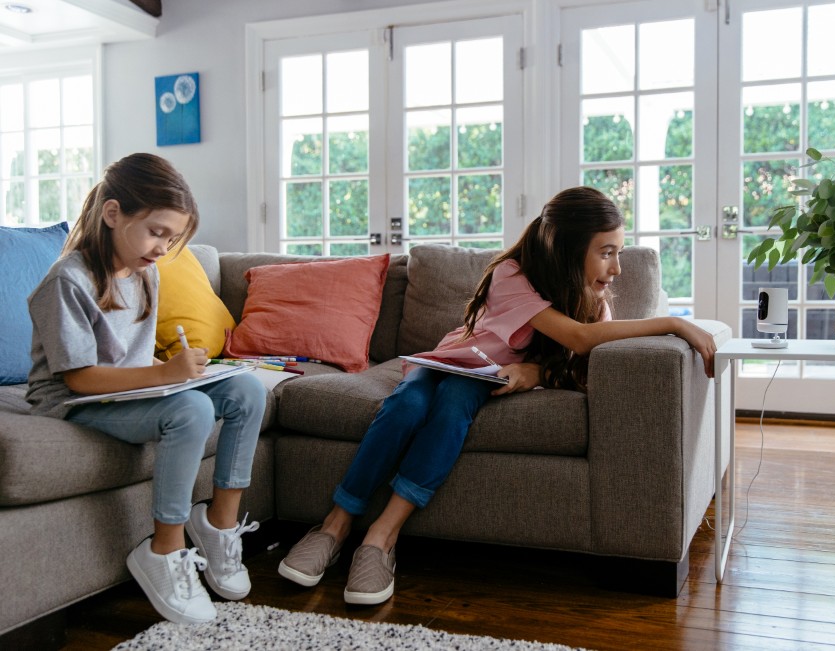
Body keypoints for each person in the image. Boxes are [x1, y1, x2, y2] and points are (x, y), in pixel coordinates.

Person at [277, 185, 717, 606]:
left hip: (479, 379)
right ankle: (333, 527)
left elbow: (581, 365)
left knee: (453, 406)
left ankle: (380, 539)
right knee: (407, 404)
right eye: (606, 253)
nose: (617, 268)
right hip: (449, 359)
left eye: (618, 252)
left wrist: (535, 371)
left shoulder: (595, 305)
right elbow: (579, 340)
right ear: (565, 248)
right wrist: (674, 322)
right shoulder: (512, 274)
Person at [25, 153, 267, 625]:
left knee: (247, 391)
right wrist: (165, 375)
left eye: (172, 238)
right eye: (156, 232)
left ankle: (217, 524)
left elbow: (134, 355)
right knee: (193, 411)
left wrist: (175, 368)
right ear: (113, 214)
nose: (162, 248)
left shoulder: (146, 272)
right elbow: (80, 377)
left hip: (131, 391)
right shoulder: (67, 280)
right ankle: (165, 549)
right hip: (75, 401)